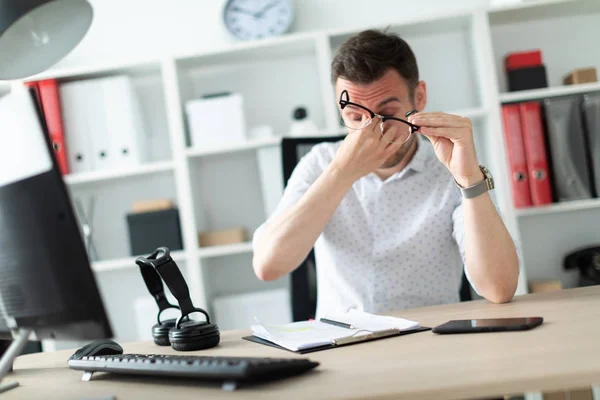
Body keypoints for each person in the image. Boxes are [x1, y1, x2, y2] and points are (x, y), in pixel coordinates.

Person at [251, 29, 520, 319]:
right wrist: (341, 173)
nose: (372, 131)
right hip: (343, 345)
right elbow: (269, 266)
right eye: (356, 117)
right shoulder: (320, 164)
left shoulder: (449, 168)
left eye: (387, 112)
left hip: (431, 339)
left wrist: (470, 180)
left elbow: (499, 288)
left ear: (419, 97)